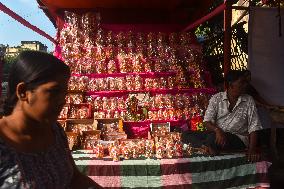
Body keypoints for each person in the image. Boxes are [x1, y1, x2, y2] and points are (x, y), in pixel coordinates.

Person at [0, 51, 101, 188]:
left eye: (64, 93)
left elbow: (74, 178)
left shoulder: (56, 131)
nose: (62, 101)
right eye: (54, 91)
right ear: (23, 91)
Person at [182, 70, 263, 162]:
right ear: (231, 85)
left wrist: (252, 149)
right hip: (217, 134)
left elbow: (254, 127)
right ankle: (206, 146)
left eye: (245, 83)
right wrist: (217, 130)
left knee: (211, 139)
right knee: (185, 134)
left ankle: (207, 146)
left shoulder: (249, 100)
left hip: (237, 138)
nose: (245, 85)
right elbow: (207, 122)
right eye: (242, 83)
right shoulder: (216, 98)